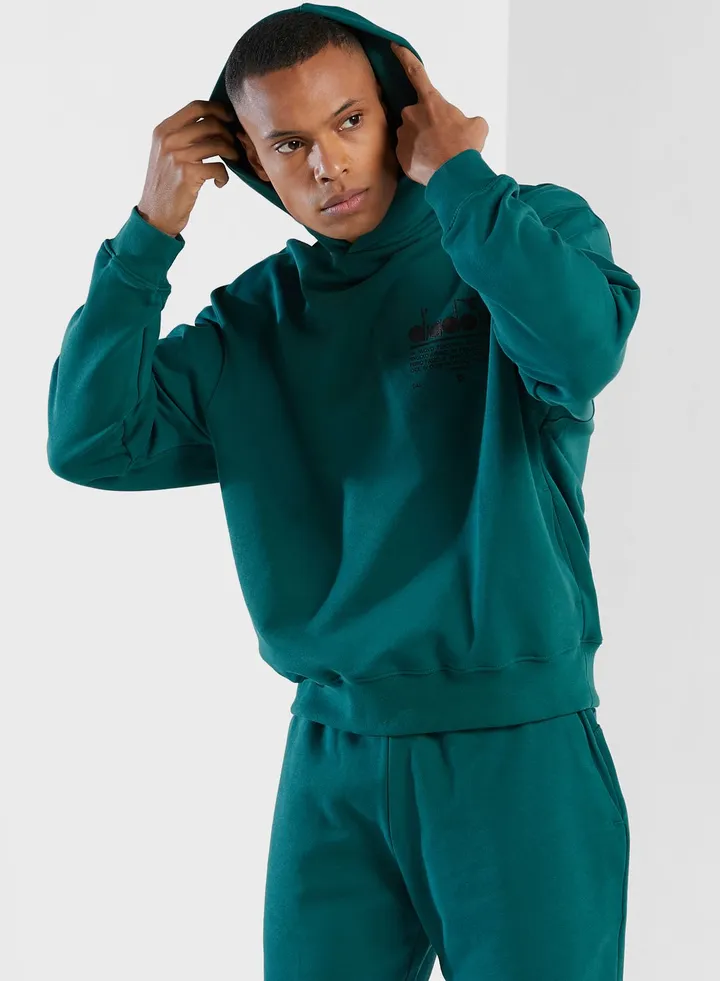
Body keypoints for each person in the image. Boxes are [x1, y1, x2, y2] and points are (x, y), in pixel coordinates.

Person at [46, 4, 641, 979]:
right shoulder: (255, 322)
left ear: (400, 110)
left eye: (349, 121)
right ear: (251, 161)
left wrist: (460, 176)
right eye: (289, 144)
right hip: (331, 752)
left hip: (515, 745)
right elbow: (90, 440)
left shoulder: (520, 232)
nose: (326, 165)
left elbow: (580, 351)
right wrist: (149, 235)